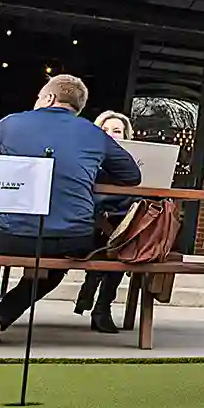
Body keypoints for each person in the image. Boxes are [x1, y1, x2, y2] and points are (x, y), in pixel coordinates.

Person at [0, 75, 142, 345]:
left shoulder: (13, 122)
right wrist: (86, 171)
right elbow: (131, 175)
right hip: (74, 237)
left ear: (48, 98)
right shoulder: (94, 133)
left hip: (12, 233)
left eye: (38, 97)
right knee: (55, 263)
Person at [73, 109, 135, 334]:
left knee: (122, 241)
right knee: (115, 243)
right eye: (104, 130)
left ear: (126, 136)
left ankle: (100, 304)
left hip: (119, 229)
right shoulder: (83, 158)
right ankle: (99, 305)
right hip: (86, 226)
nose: (110, 134)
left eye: (117, 131)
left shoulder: (134, 167)